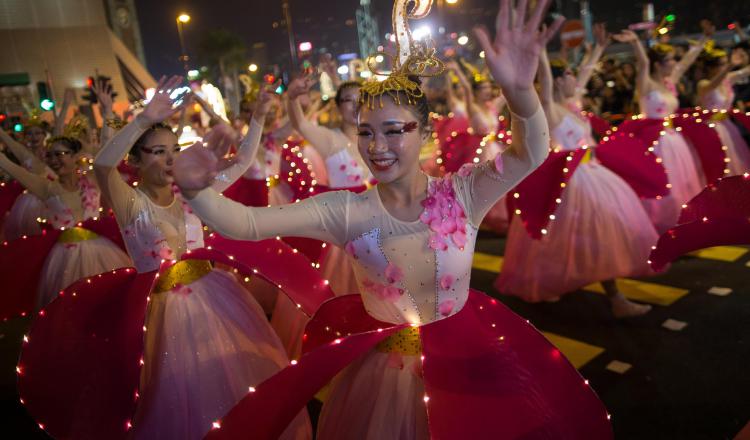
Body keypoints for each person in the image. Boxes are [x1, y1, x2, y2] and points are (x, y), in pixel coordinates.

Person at [174, 1, 612, 438]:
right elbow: (247, 224)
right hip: (384, 377)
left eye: (393, 131)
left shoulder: (461, 194)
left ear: (423, 134)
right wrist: (195, 191)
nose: (376, 146)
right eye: (366, 132)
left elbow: (530, 153)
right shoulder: (346, 211)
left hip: (464, 360)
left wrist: (521, 93)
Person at [17, 77, 312, 440]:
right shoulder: (129, 201)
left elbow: (243, 162)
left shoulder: (190, 189)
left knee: (232, 383)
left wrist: (260, 116)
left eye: (173, 149)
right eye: (157, 151)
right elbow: (103, 167)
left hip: (216, 298)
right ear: (136, 161)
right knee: (180, 396)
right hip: (162, 314)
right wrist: (141, 121)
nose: (170, 158)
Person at [496, 47, 658, 317]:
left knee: (580, 239)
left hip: (591, 175)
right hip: (570, 184)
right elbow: (546, 86)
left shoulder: (571, 106)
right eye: (570, 75)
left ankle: (607, 296)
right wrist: (541, 51)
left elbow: (582, 77)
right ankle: (615, 298)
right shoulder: (549, 106)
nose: (577, 80)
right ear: (560, 80)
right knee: (589, 237)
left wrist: (595, 53)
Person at [0, 132, 132, 310]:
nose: (53, 159)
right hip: (64, 259)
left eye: (59, 154)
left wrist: (108, 109)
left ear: (75, 156)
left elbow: (110, 151)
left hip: (102, 252)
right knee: (73, 307)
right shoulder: (46, 187)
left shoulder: (92, 180)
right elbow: (8, 165)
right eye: (50, 155)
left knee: (109, 302)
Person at [613, 30, 708, 232]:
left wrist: (703, 40)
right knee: (664, 186)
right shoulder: (645, 85)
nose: (674, 63)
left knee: (683, 182)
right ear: (658, 64)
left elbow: (686, 63)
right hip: (656, 144)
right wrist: (636, 43)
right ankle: (662, 225)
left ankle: (683, 222)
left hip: (675, 141)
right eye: (670, 60)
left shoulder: (669, 83)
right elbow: (644, 64)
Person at [697, 43, 750, 175]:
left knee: (737, 163)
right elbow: (713, 85)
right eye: (722, 64)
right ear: (711, 68)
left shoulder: (727, 78)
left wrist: (744, 57)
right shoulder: (703, 84)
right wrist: (730, 66)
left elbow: (746, 71)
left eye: (726, 63)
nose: (725, 66)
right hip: (712, 129)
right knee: (721, 165)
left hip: (728, 126)